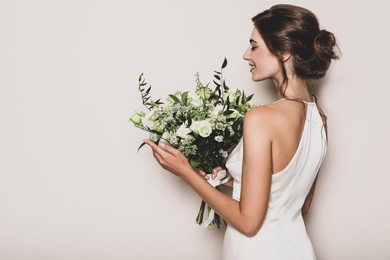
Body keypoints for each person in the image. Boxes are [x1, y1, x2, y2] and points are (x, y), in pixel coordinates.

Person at [144, 4, 339, 259]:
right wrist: (236, 183)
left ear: (284, 52)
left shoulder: (261, 118)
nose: (246, 55)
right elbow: (298, 205)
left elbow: (249, 223)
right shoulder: (320, 117)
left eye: (254, 46)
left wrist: (185, 171)